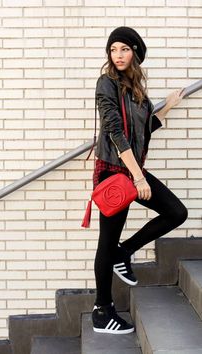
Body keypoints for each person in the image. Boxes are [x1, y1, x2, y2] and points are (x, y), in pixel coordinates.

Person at [92, 26, 188, 334]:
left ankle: (125, 252)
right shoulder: (106, 83)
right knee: (106, 243)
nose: (117, 55)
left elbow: (142, 131)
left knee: (176, 212)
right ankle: (102, 311)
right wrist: (138, 177)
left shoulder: (135, 90)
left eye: (124, 49)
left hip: (131, 170)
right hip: (113, 173)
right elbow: (114, 131)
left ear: (135, 52)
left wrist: (168, 107)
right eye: (113, 50)